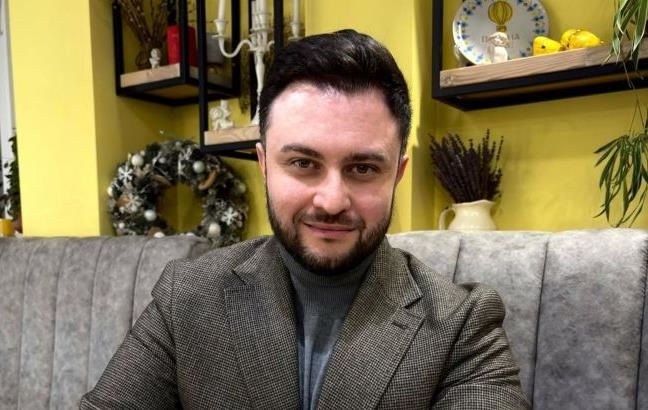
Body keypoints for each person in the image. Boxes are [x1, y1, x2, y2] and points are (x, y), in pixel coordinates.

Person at [81, 29, 529, 409]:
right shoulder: (187, 297)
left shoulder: (461, 326)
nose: (331, 201)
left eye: (363, 168)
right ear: (264, 165)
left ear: (397, 173)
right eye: (303, 163)